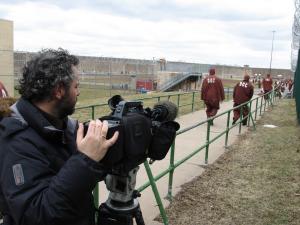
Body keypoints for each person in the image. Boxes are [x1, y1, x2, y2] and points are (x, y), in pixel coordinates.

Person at [0, 48, 119, 225]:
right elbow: (36, 215)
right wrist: (86, 160)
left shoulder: (61, 125)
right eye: (76, 86)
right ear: (59, 91)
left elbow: (69, 177)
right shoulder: (16, 140)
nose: (78, 92)